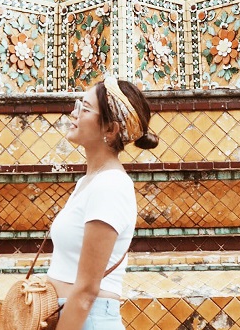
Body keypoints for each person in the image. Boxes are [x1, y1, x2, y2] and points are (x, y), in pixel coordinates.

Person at [46, 76, 159, 330]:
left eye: (85, 109)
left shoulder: (110, 186)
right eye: (78, 105)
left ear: (110, 129)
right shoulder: (88, 182)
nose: (74, 114)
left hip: (87, 321)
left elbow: (86, 292)